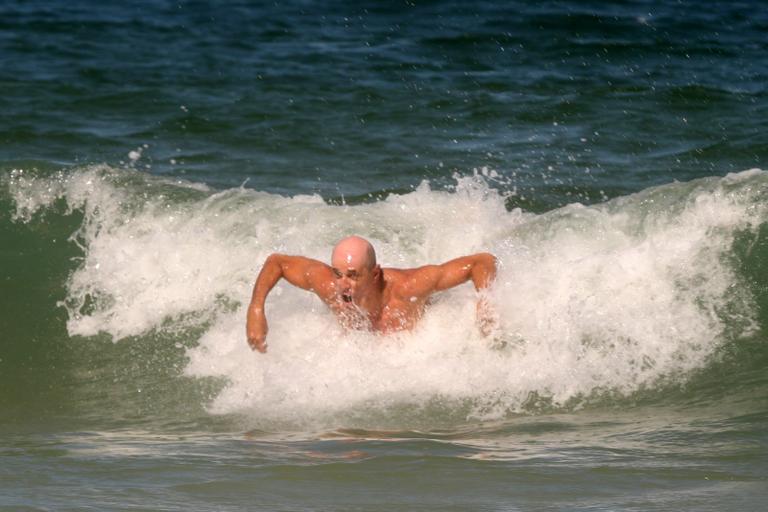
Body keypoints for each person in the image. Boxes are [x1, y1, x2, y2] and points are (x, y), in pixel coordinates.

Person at [246, 236, 497, 353]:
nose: (343, 284)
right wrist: (256, 310)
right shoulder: (331, 287)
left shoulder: (408, 288)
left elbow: (482, 262)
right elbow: (277, 263)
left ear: (375, 274)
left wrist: (486, 302)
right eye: (338, 273)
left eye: (353, 275)